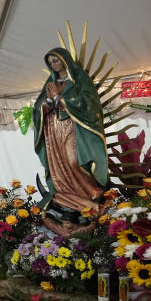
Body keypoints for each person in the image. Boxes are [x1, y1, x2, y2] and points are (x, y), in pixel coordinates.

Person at [33, 47, 108, 235]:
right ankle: (64, 195)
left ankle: (89, 193)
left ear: (64, 60)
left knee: (73, 161)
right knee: (58, 165)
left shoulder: (79, 78)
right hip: (53, 131)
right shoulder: (51, 82)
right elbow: (37, 107)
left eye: (55, 60)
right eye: (50, 63)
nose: (53, 65)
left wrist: (63, 100)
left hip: (73, 129)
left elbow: (90, 103)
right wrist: (46, 105)